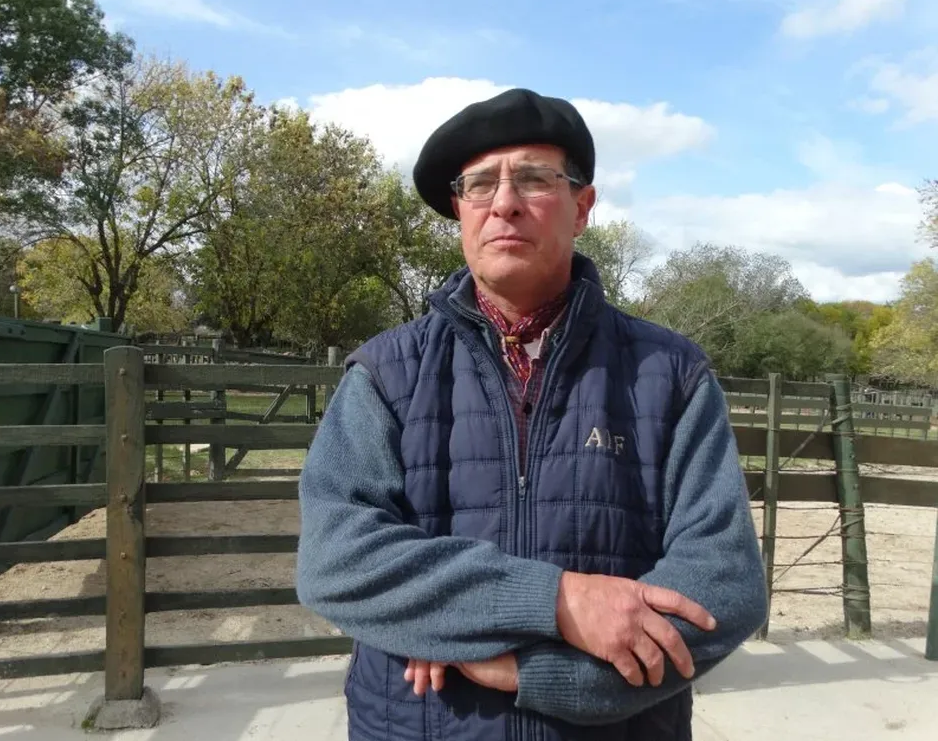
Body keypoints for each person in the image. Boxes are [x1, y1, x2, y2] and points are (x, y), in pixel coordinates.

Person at [296, 87, 768, 741]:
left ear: (582, 207)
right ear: (460, 211)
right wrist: (559, 600)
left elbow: (724, 584)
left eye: (534, 178)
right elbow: (336, 559)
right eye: (481, 183)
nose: (505, 201)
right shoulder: (385, 375)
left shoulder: (673, 376)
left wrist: (523, 667)